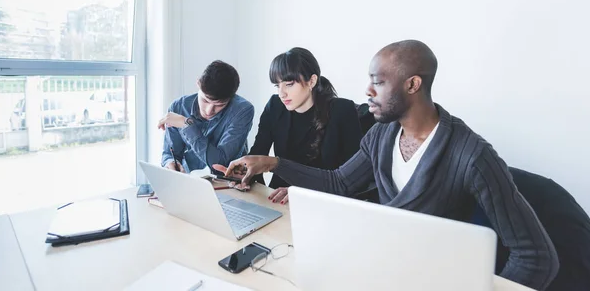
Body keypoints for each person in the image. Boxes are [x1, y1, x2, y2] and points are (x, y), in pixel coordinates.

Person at [214, 40, 559, 290]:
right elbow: (339, 183)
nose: (368, 91)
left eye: (378, 82)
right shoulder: (382, 136)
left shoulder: (472, 156)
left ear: (412, 85)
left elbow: (536, 256)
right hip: (382, 266)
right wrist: (273, 162)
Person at [249, 47, 362, 204]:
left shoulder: (342, 111)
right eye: (277, 85)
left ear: (312, 81)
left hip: (323, 201)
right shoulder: (275, 106)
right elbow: (258, 153)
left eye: (289, 84)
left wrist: (301, 194)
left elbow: (350, 178)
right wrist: (244, 176)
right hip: (277, 199)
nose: (282, 93)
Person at [158, 60, 254, 173]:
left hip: (227, 184)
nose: (209, 111)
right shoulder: (178, 107)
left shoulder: (242, 110)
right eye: (205, 100)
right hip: (189, 180)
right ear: (198, 83)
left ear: (232, 98)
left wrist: (187, 124)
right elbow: (170, 153)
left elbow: (220, 164)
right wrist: (170, 162)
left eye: (220, 105)